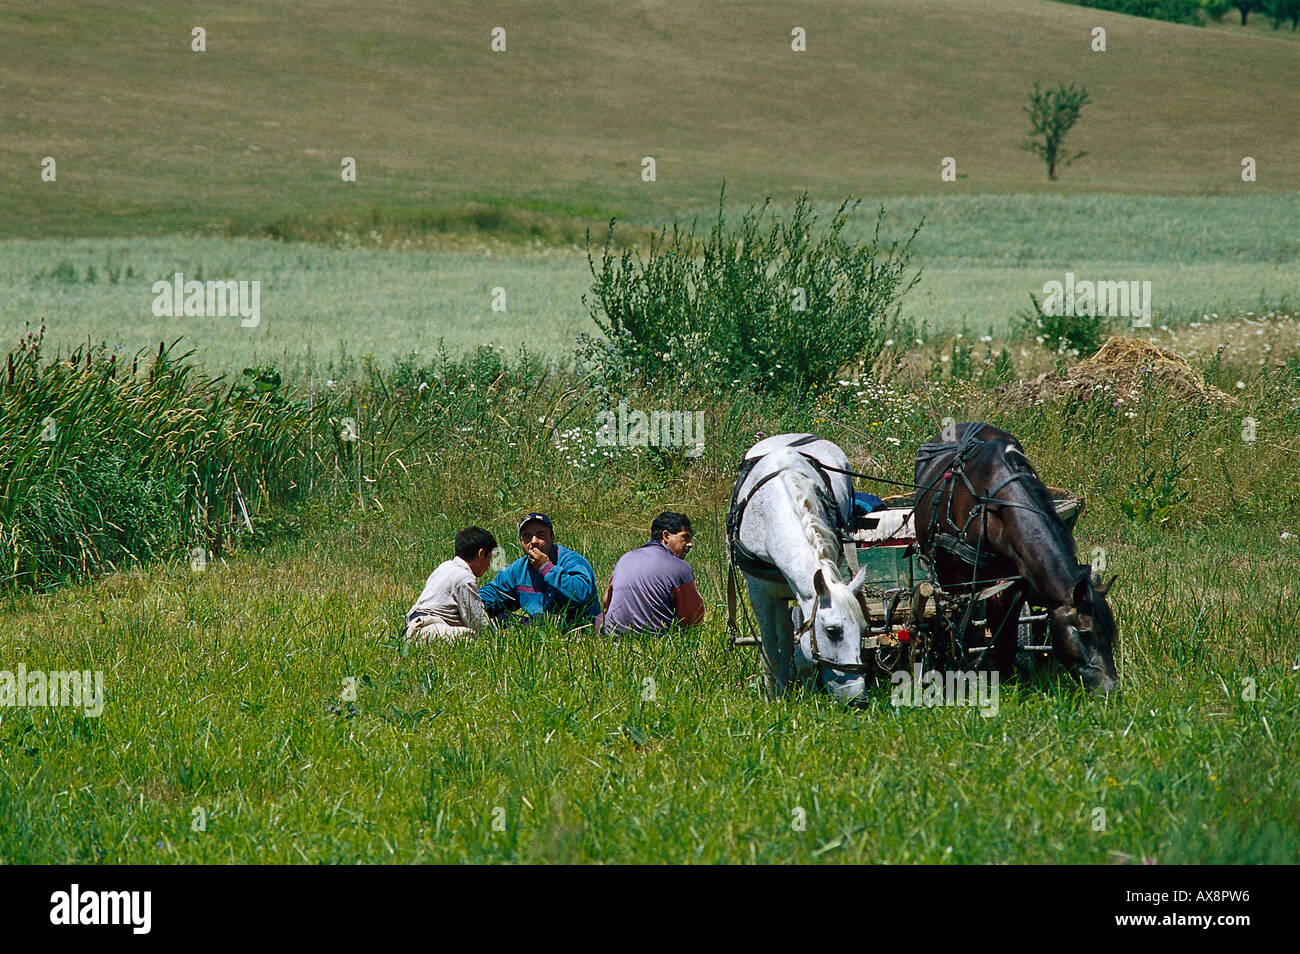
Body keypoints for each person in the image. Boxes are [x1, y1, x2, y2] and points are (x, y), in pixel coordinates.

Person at [478, 513, 600, 629]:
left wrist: (546, 568)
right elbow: (495, 592)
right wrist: (475, 602)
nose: (534, 541)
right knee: (498, 618)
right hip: (537, 626)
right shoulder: (520, 569)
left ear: (552, 537)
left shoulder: (571, 560)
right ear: (521, 541)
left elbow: (580, 593)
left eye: (541, 535)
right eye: (527, 536)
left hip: (577, 626)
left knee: (543, 621)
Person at [599, 511, 705, 636]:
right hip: (654, 639)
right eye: (685, 537)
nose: (690, 544)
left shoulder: (625, 559)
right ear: (666, 536)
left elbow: (607, 604)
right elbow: (693, 618)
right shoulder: (680, 568)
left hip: (613, 638)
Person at [405, 526, 498, 642]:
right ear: (481, 553)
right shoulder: (464, 578)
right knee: (470, 637)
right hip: (428, 628)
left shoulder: (445, 566)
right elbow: (477, 622)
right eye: (489, 558)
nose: (489, 565)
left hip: (415, 624)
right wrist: (497, 636)